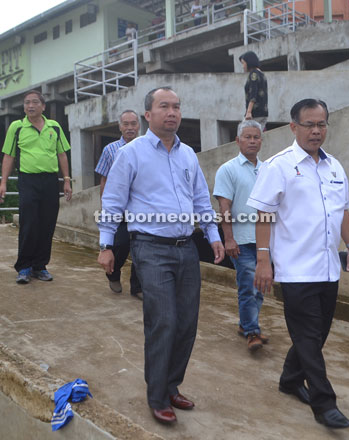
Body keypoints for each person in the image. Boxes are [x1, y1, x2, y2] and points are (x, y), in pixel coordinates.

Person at [97, 87, 224, 424]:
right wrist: (106, 245)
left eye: (177, 106)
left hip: (187, 249)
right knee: (163, 320)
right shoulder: (131, 154)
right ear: (148, 115)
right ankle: (156, 396)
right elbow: (112, 202)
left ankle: (171, 386)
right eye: (164, 106)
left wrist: (213, 235)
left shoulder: (188, 156)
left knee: (186, 324)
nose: (172, 112)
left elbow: (200, 200)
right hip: (150, 248)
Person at [248, 99, 349, 429]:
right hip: (295, 269)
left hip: (328, 267)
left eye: (321, 124)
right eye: (309, 124)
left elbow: (344, 211)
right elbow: (264, 214)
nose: (316, 131)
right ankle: (324, 404)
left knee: (317, 335)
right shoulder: (278, 166)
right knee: (309, 338)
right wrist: (263, 259)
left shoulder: (335, 167)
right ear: (294, 127)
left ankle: (290, 379)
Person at [0, 90, 72, 284]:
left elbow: (62, 154)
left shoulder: (54, 127)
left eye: (35, 102)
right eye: (27, 103)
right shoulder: (17, 127)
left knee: (47, 224)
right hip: (28, 180)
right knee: (29, 223)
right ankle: (24, 267)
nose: (30, 106)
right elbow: (9, 155)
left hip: (49, 181)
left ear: (43, 106)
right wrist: (3, 182)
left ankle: (40, 266)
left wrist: (66, 179)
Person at [213, 120, 268, 352]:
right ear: (237, 141)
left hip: (265, 242)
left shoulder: (267, 169)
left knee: (261, 286)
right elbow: (224, 206)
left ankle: (245, 324)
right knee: (248, 287)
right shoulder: (228, 169)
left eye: (256, 137)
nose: (252, 141)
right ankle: (252, 332)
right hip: (241, 241)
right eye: (248, 137)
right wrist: (229, 239)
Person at [94, 110, 143, 299]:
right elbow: (104, 180)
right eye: (126, 124)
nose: (130, 128)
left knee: (141, 246)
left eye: (133, 124)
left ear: (139, 125)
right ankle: (113, 274)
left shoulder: (146, 148)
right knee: (120, 244)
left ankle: (137, 287)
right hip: (119, 208)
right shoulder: (110, 150)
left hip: (140, 208)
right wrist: (105, 208)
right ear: (120, 126)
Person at [239, 51, 268, 130]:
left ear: (249, 62)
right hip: (263, 113)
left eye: (243, 63)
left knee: (243, 132)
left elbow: (253, 94)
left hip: (255, 114)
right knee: (258, 135)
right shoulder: (262, 74)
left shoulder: (253, 74)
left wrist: (248, 112)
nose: (243, 66)